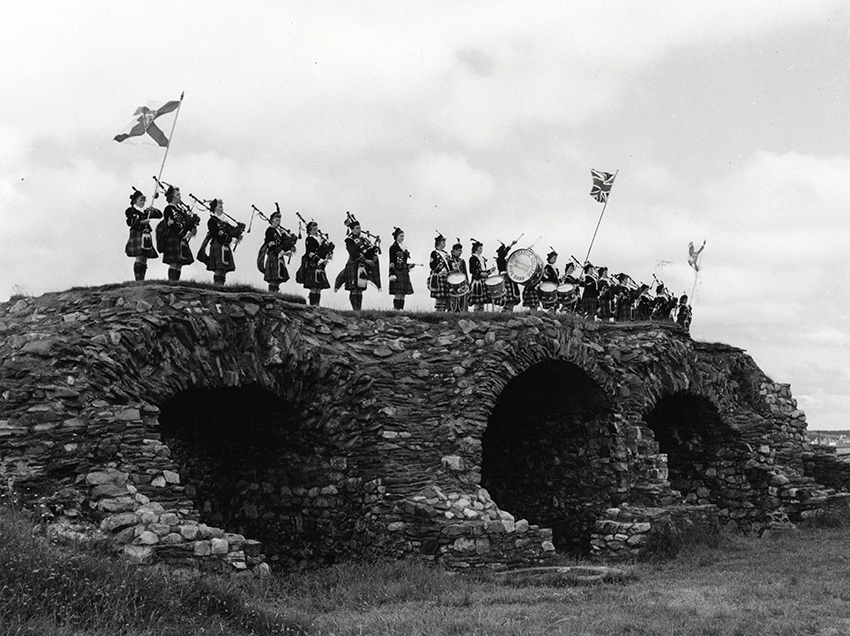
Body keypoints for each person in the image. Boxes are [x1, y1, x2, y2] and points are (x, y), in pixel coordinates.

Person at [335, 214, 380, 311]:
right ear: (352, 229)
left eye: (359, 228)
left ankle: (358, 310)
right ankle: (355, 310)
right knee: (354, 288)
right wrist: (366, 260)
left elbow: (367, 252)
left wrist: (374, 252)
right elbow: (353, 253)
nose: (359, 230)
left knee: (360, 288)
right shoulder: (349, 240)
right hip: (353, 265)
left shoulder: (363, 240)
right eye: (357, 228)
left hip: (361, 266)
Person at [160, 185, 200, 281]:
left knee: (180, 263)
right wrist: (181, 232)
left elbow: (186, 223)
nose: (180, 196)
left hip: (182, 237)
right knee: (174, 261)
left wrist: (193, 223)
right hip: (174, 236)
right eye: (177, 195)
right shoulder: (168, 209)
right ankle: (172, 283)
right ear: (172, 196)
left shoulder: (181, 210)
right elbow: (171, 224)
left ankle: (176, 283)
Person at [203, 199, 244, 286]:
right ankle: (217, 287)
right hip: (217, 244)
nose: (222, 209)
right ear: (215, 208)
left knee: (224, 269)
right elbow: (215, 232)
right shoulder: (212, 221)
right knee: (219, 268)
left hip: (225, 246)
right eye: (220, 207)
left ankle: (221, 287)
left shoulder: (225, 222)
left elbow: (232, 232)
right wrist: (225, 236)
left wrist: (239, 229)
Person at [124, 190, 161, 280]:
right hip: (137, 233)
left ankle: (142, 280)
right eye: (141, 200)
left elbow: (160, 215)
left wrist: (153, 209)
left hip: (145, 235)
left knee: (144, 257)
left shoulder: (145, 212)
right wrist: (142, 222)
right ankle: (138, 280)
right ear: (135, 201)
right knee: (139, 256)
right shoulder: (130, 210)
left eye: (144, 200)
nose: (143, 202)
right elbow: (129, 222)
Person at [261, 210, 297, 293]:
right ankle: (271, 295)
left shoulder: (279, 231)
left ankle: (275, 294)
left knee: (278, 278)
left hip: (279, 255)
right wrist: (282, 252)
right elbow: (271, 244)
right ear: (272, 221)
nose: (278, 222)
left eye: (279, 220)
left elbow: (283, 244)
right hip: (273, 254)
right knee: (273, 278)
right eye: (277, 220)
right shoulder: (269, 230)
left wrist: (290, 245)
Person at [299, 221, 332, 305]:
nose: (316, 231)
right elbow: (309, 253)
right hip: (313, 264)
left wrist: (326, 256)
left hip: (320, 265)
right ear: (309, 231)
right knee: (314, 287)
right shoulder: (309, 239)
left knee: (319, 287)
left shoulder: (320, 239)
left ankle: (317, 306)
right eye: (314, 229)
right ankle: (312, 306)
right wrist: (319, 260)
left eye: (316, 229)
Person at [388, 227, 415, 310]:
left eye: (403, 236)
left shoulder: (404, 248)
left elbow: (404, 262)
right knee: (398, 292)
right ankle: (396, 309)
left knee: (403, 293)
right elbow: (392, 261)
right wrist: (392, 273)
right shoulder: (393, 248)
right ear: (396, 237)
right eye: (400, 236)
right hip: (397, 270)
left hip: (404, 270)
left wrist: (409, 266)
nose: (402, 238)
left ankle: (401, 309)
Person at [494, 239, 520, 312]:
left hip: (510, 279)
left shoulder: (507, 260)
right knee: (509, 299)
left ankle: (508, 312)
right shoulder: (500, 259)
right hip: (506, 278)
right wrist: (511, 245)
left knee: (512, 299)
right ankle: (506, 312)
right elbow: (503, 254)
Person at [468, 240, 492, 312]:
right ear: (476, 249)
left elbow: (484, 270)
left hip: (484, 280)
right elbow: (471, 270)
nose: (481, 250)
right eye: (480, 248)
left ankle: (481, 312)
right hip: (477, 280)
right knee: (477, 298)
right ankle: (476, 312)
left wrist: (490, 271)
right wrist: (480, 274)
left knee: (483, 299)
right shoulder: (472, 258)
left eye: (482, 248)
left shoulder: (482, 258)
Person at [428, 233, 450, 312]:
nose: (444, 244)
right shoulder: (434, 253)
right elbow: (432, 265)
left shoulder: (446, 254)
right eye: (443, 242)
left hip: (446, 276)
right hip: (438, 276)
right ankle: (438, 311)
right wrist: (440, 270)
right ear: (438, 243)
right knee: (439, 296)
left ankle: (442, 311)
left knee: (444, 296)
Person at [447, 239, 469, 313]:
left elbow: (465, 273)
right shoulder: (449, 261)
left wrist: (467, 283)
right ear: (454, 251)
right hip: (452, 283)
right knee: (453, 299)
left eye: (461, 250)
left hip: (462, 283)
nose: (460, 252)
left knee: (463, 299)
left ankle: (462, 312)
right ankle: (452, 312)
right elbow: (448, 273)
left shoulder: (462, 261)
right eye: (459, 250)